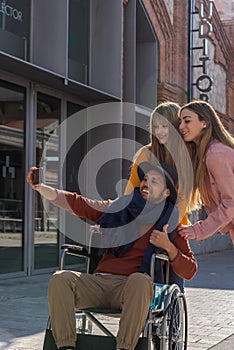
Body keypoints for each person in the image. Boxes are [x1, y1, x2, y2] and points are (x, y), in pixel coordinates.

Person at [26, 162, 197, 350]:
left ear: (166, 193)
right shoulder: (118, 208)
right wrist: (42, 188)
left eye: (154, 181)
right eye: (145, 179)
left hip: (133, 289)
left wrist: (168, 247)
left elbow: (190, 270)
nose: (146, 183)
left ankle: (124, 347)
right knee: (60, 279)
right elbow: (79, 204)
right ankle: (66, 346)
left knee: (140, 281)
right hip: (100, 284)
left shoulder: (172, 224)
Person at [124, 101, 193, 225]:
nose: (159, 131)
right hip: (143, 222)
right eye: (156, 127)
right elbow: (130, 191)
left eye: (164, 126)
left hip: (174, 224)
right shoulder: (145, 153)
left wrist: (167, 226)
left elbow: (183, 198)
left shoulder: (186, 156)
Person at [178, 100, 234, 243]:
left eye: (187, 121)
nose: (181, 126)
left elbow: (231, 201)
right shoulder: (207, 155)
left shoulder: (216, 154)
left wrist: (199, 229)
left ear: (205, 123)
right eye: (180, 122)